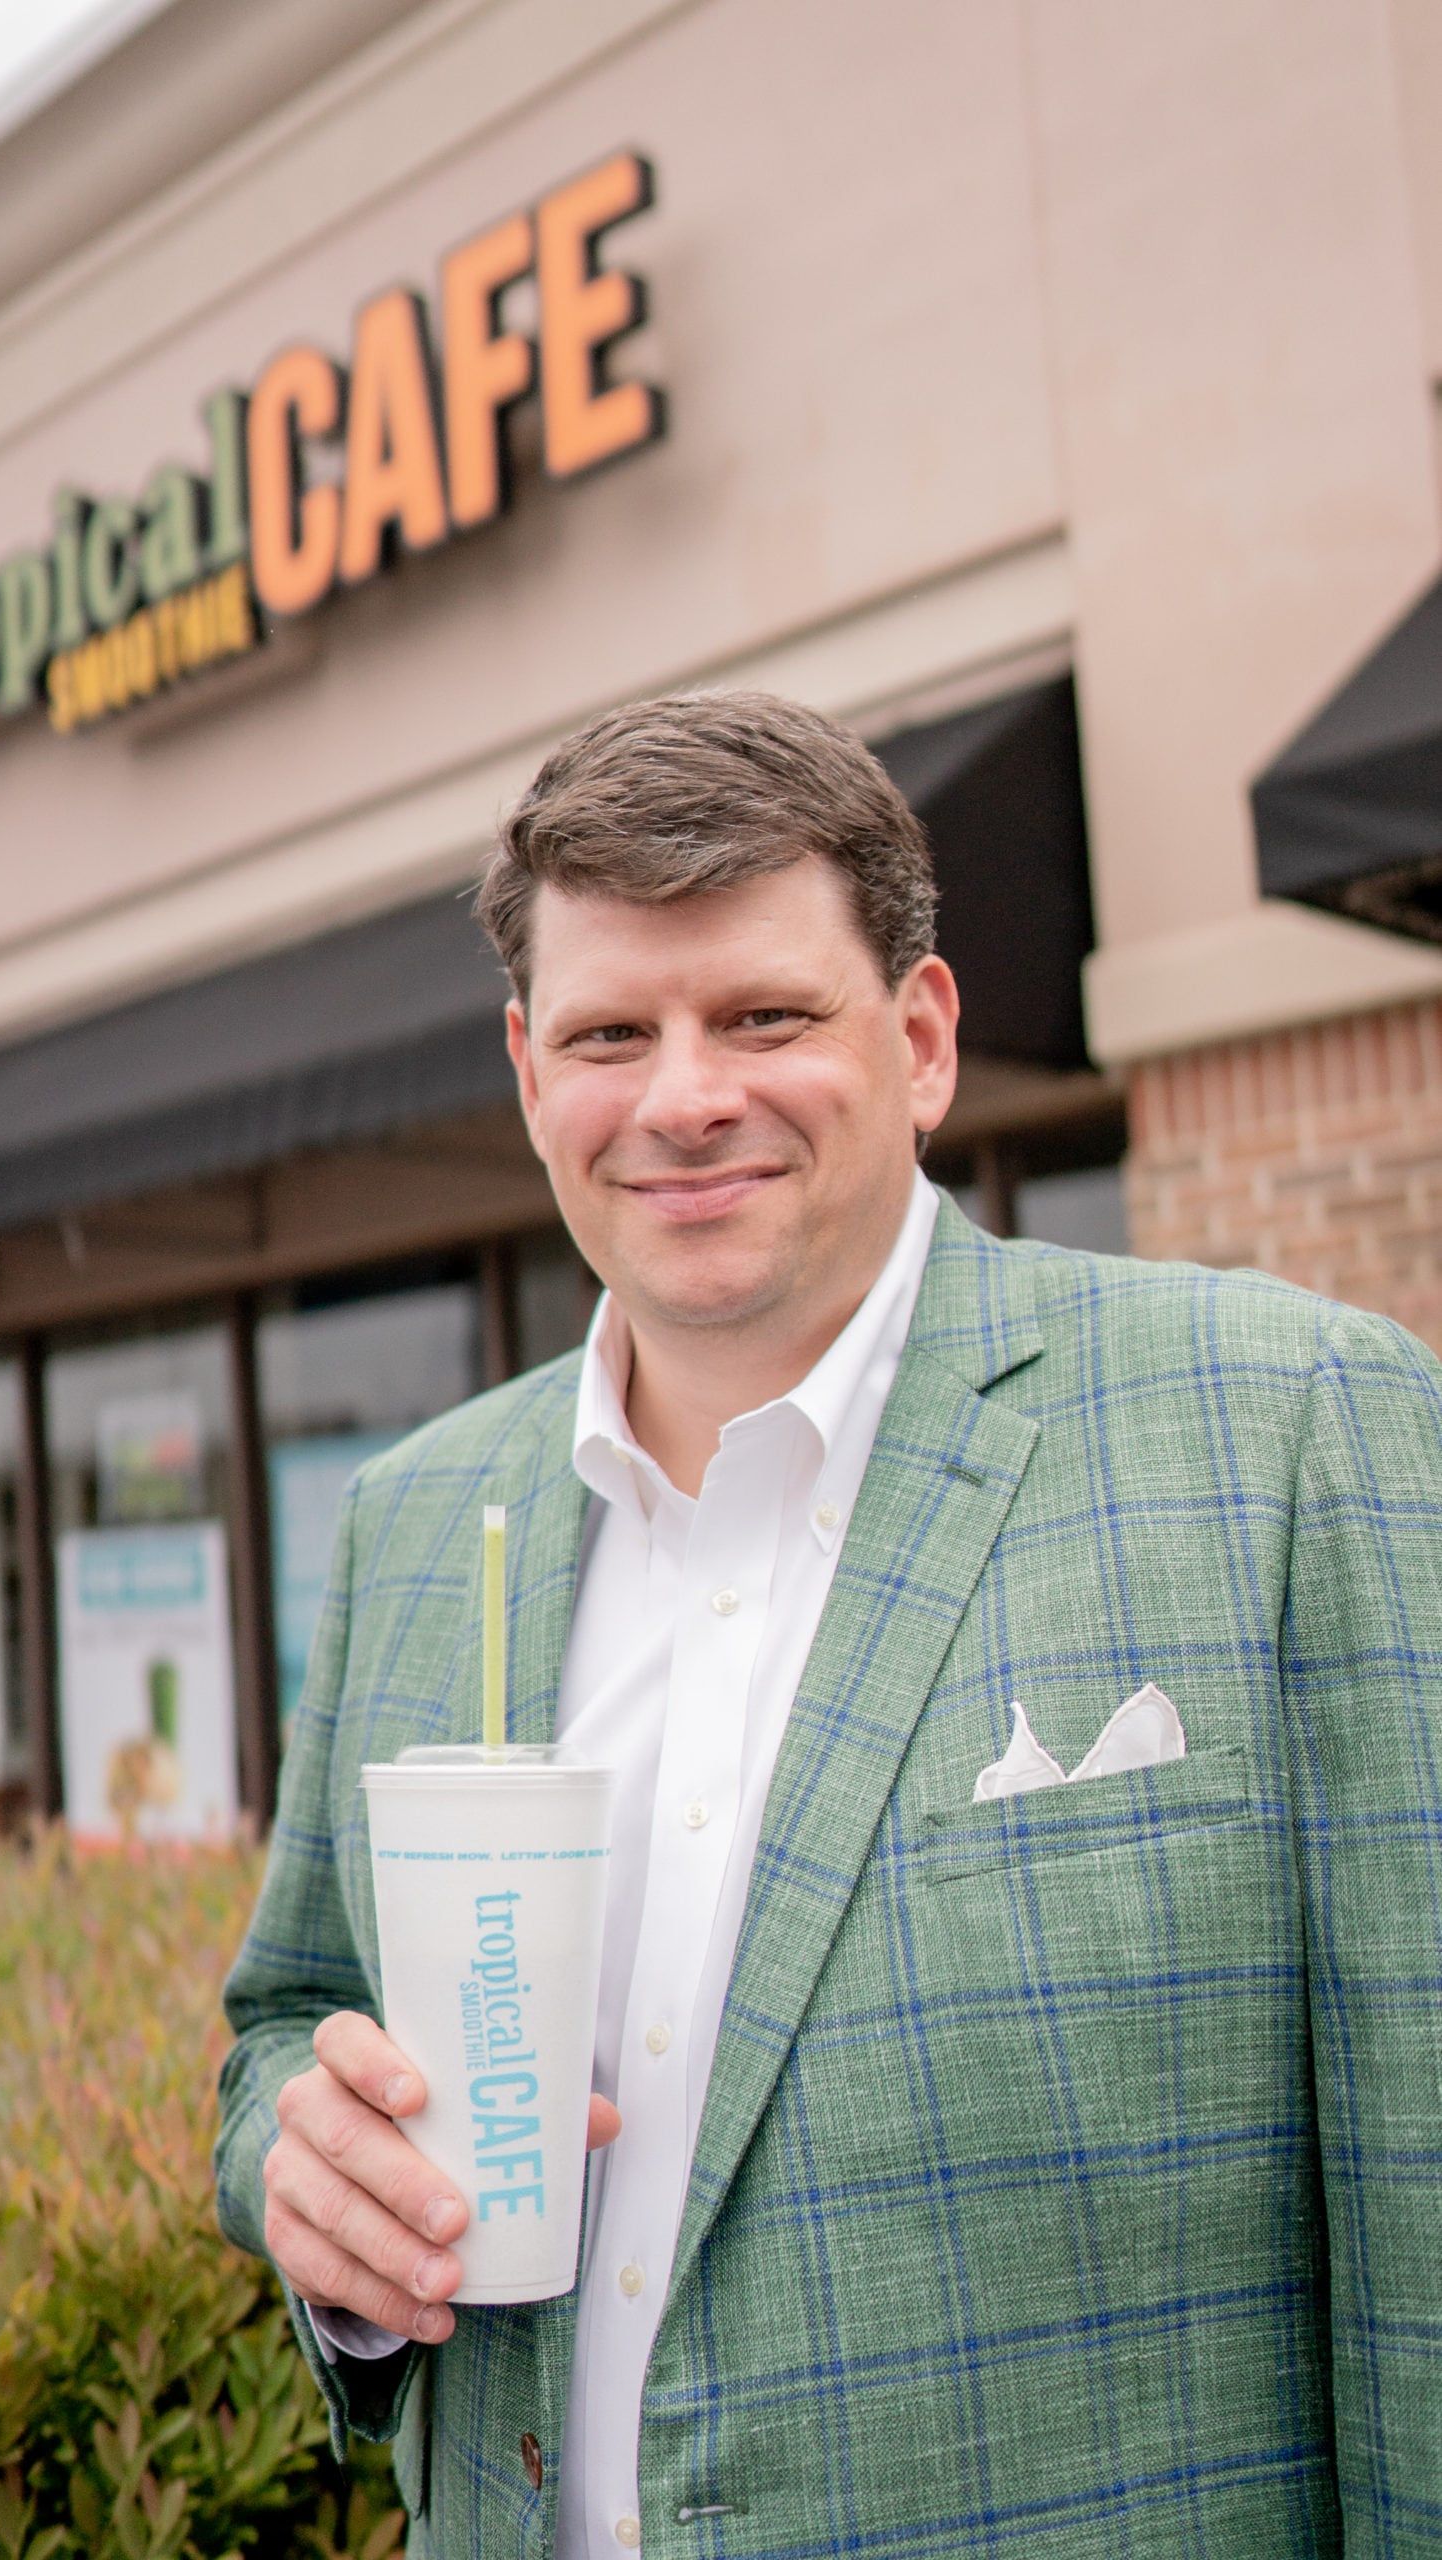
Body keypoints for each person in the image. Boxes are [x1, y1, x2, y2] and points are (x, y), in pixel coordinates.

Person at [215, 690, 1442, 2556]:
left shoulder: (1288, 1429)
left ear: (924, 1039)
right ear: (533, 1073)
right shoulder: (414, 1524)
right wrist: (305, 2174)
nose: (684, 1095)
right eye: (614, 1033)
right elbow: (289, 2019)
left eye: (765, 1017)